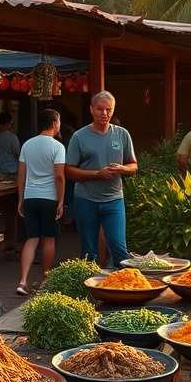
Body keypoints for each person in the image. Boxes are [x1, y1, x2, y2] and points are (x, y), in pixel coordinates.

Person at [65, 91, 137, 267]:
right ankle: (89, 290)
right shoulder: (79, 136)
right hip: (86, 199)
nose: (104, 113)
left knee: (120, 250)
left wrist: (122, 169)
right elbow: (68, 171)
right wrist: (97, 174)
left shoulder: (122, 134)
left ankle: (124, 289)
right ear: (91, 109)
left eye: (108, 109)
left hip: (114, 199)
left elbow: (134, 165)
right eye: (100, 109)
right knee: (89, 252)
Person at [15, 109, 66, 295]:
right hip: (49, 198)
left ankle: (22, 281)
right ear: (54, 124)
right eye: (59, 122)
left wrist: (21, 198)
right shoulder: (58, 147)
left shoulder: (27, 145)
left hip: (30, 197)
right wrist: (61, 200)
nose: (59, 125)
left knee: (31, 238)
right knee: (49, 238)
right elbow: (59, 177)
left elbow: (21, 174)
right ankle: (45, 280)